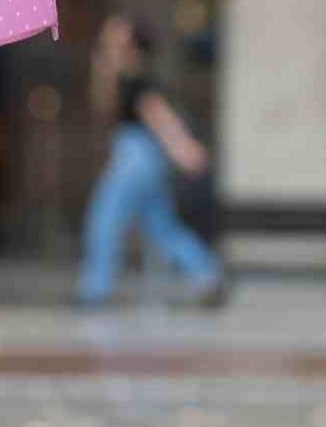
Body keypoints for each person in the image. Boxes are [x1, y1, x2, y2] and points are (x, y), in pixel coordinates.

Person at [75, 15, 225, 308]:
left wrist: (183, 148)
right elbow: (105, 108)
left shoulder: (138, 78)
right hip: (136, 153)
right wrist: (103, 70)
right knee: (160, 224)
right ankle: (208, 273)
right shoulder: (121, 75)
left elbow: (158, 116)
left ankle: (95, 289)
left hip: (135, 156)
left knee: (104, 219)